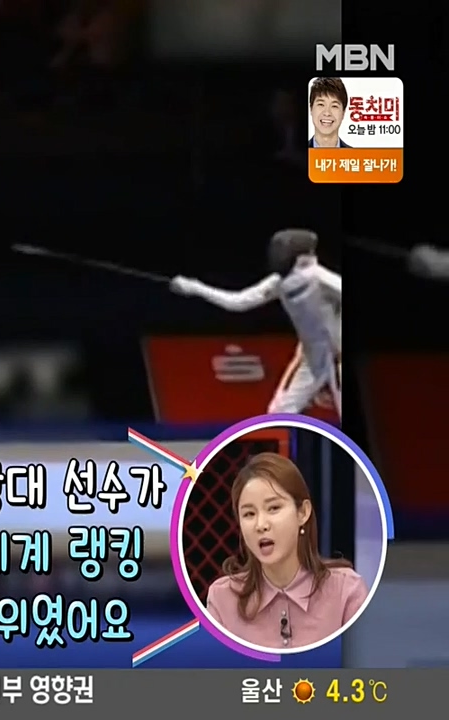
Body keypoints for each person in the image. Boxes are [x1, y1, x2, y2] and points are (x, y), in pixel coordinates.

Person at [205, 452, 368, 650]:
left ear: (303, 512)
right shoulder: (223, 599)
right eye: (249, 514)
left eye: (273, 508)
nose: (261, 525)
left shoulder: (346, 591)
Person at [170, 229, 342, 417]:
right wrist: (195, 288)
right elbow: (238, 301)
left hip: (336, 356)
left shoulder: (319, 278)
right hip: (312, 359)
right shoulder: (278, 283)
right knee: (277, 415)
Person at [308, 77, 353, 149]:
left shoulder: (355, 155)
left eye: (334, 106)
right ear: (311, 108)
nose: (327, 113)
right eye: (321, 104)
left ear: (343, 113)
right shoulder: (295, 154)